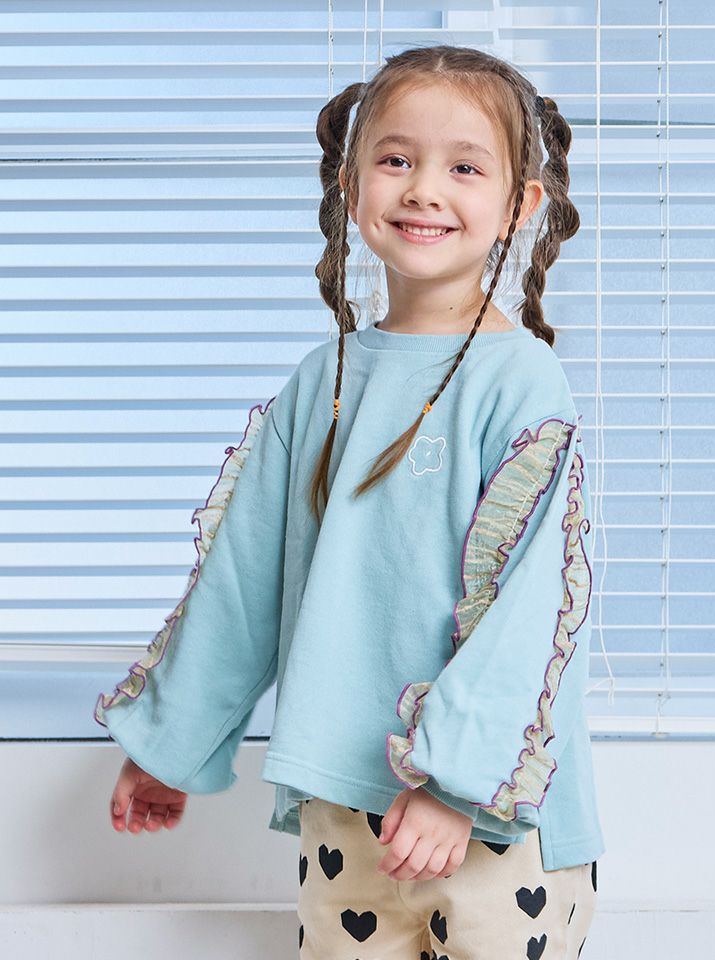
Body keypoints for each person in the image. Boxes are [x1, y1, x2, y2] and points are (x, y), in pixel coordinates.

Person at [96, 43, 604, 960]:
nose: (424, 190)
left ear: (519, 205)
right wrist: (171, 746)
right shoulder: (318, 384)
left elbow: (531, 611)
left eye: (464, 167)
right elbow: (243, 582)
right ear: (349, 183)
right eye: (396, 158)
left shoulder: (523, 384)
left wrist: (454, 784)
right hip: (344, 807)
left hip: (495, 813)